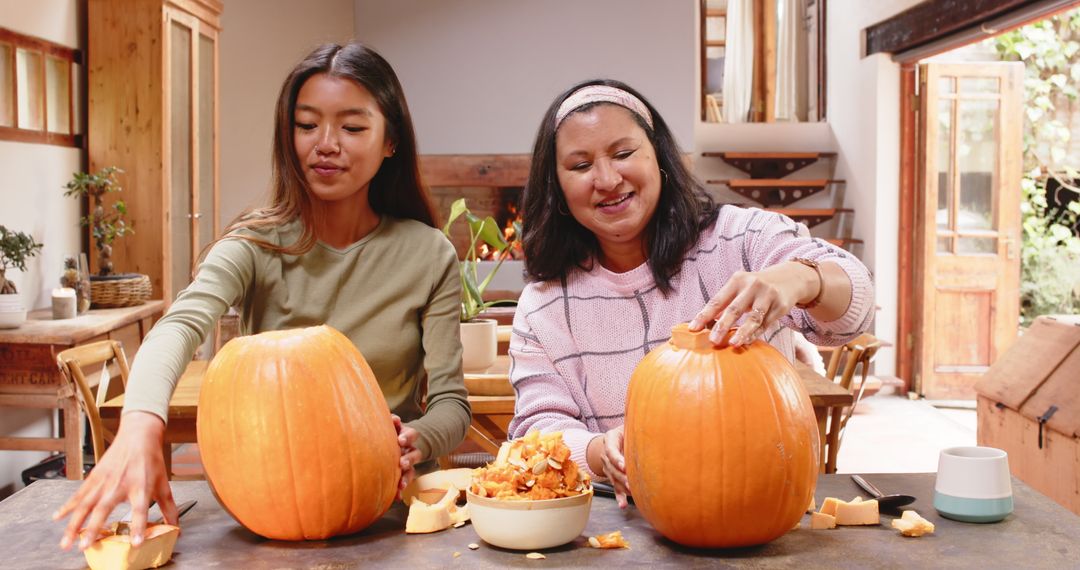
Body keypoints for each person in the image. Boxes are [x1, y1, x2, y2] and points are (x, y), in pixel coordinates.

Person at [54, 43, 471, 550]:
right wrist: (141, 422)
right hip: (268, 513)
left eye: (353, 127)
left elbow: (450, 404)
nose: (326, 143)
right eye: (307, 124)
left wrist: (414, 440)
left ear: (390, 142)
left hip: (390, 516)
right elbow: (181, 325)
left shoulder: (428, 254)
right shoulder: (254, 244)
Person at [508, 79, 874, 508]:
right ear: (558, 190)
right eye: (580, 165)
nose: (607, 179)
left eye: (624, 154)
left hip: (760, 504)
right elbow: (537, 427)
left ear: (659, 158)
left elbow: (857, 306)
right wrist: (596, 452)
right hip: (618, 523)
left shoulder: (741, 238)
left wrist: (800, 279)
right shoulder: (543, 305)